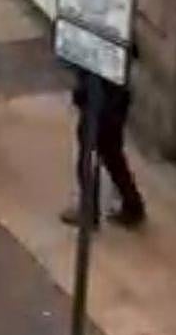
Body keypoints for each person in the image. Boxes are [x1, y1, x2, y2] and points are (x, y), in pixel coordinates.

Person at [61, 70, 146, 229]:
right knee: (112, 154)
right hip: (116, 98)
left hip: (101, 100)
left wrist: (82, 94)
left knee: (89, 155)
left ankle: (89, 211)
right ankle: (132, 204)